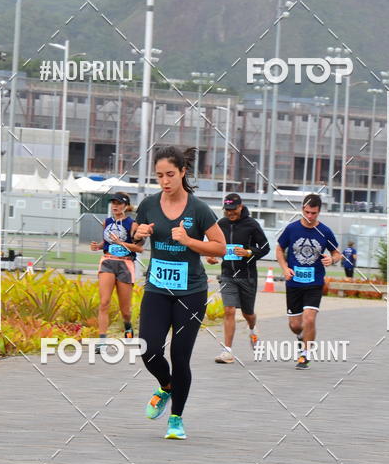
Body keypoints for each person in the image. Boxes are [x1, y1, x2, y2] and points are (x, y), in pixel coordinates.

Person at [134, 146, 226, 439]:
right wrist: (140, 233)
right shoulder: (149, 204)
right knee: (148, 348)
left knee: (180, 355)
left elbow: (219, 247)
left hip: (191, 293)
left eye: (170, 174)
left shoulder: (198, 209)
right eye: (159, 175)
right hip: (158, 289)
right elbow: (136, 229)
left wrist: (189, 241)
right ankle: (167, 386)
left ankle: (176, 419)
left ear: (183, 172)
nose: (165, 181)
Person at [275, 194, 340, 370]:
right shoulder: (292, 229)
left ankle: (305, 355)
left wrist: (331, 260)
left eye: (314, 213)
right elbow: (280, 249)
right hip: (294, 283)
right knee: (295, 325)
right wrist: (284, 267)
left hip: (314, 282)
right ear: (302, 209)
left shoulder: (325, 231)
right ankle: (301, 336)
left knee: (309, 318)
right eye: (307, 212)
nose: (310, 216)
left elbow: (337, 253)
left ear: (319, 212)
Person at [205, 193, 270, 363]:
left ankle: (253, 327)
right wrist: (212, 255)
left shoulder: (251, 224)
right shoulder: (221, 224)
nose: (230, 213)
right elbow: (214, 245)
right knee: (229, 310)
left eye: (233, 210)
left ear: (240, 207)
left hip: (247, 276)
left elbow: (265, 247)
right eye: (227, 210)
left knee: (248, 313)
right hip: (227, 275)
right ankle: (227, 351)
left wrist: (249, 252)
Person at [90, 193, 143, 352]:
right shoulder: (106, 222)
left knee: (125, 310)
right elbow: (107, 242)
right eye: (113, 203)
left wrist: (121, 242)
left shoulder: (132, 224)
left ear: (126, 206)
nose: (115, 206)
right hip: (107, 262)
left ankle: (128, 327)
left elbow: (139, 248)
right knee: (104, 302)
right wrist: (98, 246)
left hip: (125, 264)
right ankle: (102, 341)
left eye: (119, 203)